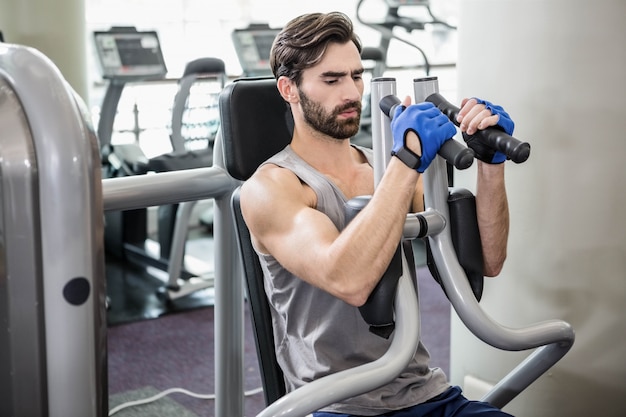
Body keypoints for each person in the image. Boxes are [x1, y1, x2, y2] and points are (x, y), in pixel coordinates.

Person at [240, 11, 514, 417]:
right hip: (333, 404)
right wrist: (407, 160)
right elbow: (347, 279)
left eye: (356, 75)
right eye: (331, 80)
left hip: (425, 393)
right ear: (289, 89)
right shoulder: (273, 187)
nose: (351, 92)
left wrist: (491, 165)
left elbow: (487, 259)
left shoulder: (383, 170)